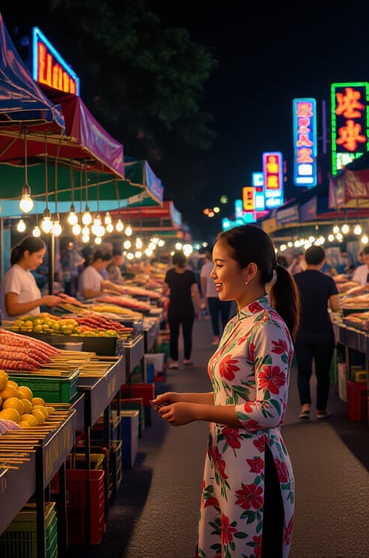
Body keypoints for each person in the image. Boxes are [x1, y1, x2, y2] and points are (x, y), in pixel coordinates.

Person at [152, 225, 298, 558]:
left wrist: (197, 412)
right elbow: (230, 396)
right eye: (213, 264)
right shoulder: (237, 322)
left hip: (257, 472)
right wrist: (184, 399)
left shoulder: (269, 328)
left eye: (220, 265)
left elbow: (270, 411)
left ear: (249, 271)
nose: (213, 274)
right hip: (225, 462)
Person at [294, 245, 340, 420]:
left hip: (301, 332)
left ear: (305, 260)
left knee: (303, 372)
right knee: (323, 373)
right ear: (323, 261)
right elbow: (336, 307)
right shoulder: (328, 281)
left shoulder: (294, 279)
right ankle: (321, 409)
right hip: (323, 333)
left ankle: (305, 406)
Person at [1, 236, 64, 319]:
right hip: (15, 329)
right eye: (38, 257)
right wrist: (42, 301)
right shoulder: (14, 274)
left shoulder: (28, 274)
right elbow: (12, 309)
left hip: (28, 329)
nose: (41, 261)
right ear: (26, 254)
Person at [162, 251, 200, 368]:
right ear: (185, 261)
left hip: (173, 308)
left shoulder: (169, 274)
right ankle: (187, 359)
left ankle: (174, 361)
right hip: (188, 308)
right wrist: (198, 309)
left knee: (174, 335)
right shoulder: (190, 274)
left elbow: (163, 291)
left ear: (174, 261)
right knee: (187, 334)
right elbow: (195, 292)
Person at [201, 252, 233, 345]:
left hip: (211, 296)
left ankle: (216, 338)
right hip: (225, 295)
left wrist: (204, 295)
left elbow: (203, 282)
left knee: (214, 318)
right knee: (225, 318)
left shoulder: (205, 267)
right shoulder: (225, 264)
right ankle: (226, 338)